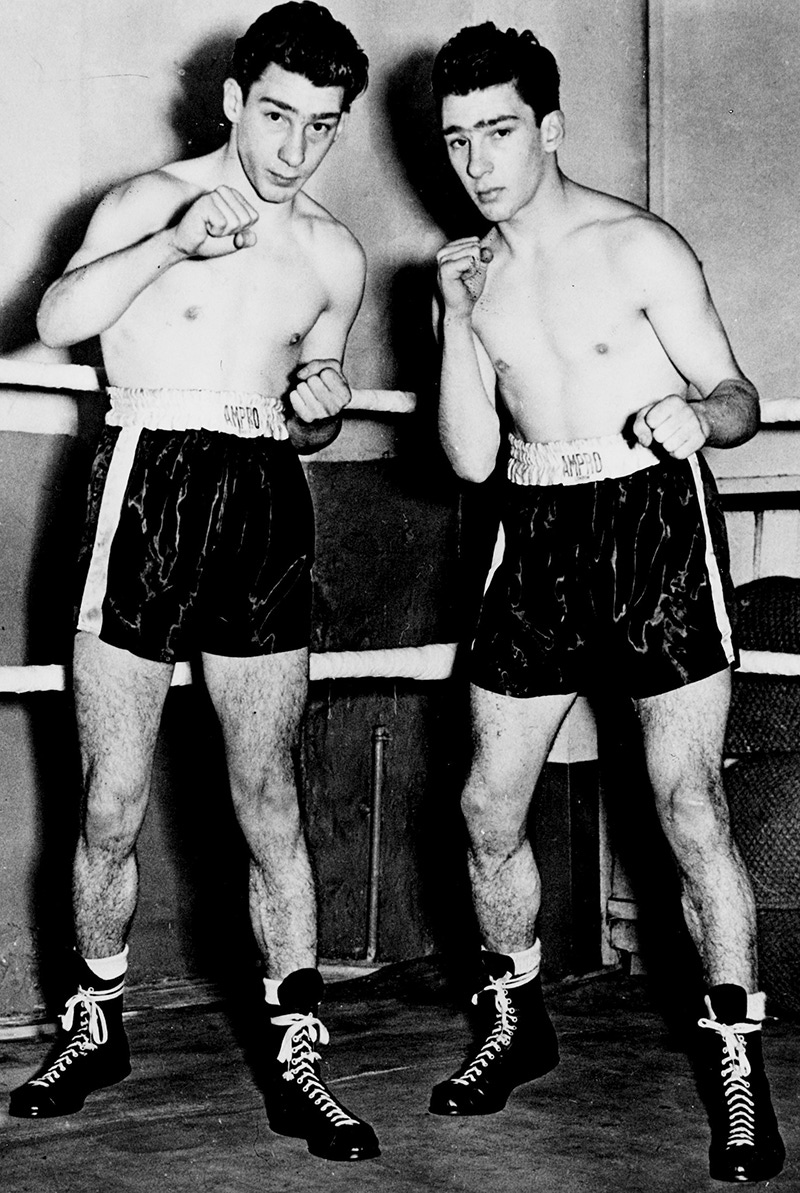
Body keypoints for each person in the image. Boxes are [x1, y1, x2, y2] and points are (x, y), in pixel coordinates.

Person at [9, 2, 380, 1163]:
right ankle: (96, 1014)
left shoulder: (331, 250)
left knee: (267, 791)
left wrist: (319, 405)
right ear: (230, 100)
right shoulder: (140, 203)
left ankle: (296, 1041)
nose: (293, 149)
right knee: (110, 795)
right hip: (140, 480)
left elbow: (315, 390)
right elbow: (57, 316)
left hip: (262, 492)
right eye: (276, 116)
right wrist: (173, 241)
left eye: (321, 127)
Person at [429, 22, 784, 1184]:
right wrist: (449, 321)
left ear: (548, 129)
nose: (477, 161)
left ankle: (735, 1066)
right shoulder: (468, 270)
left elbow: (733, 396)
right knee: (486, 806)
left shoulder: (636, 247)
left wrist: (699, 418)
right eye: (455, 139)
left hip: (649, 526)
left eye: (497, 132)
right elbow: (471, 458)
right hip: (530, 530)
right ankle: (515, 1011)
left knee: (684, 801)